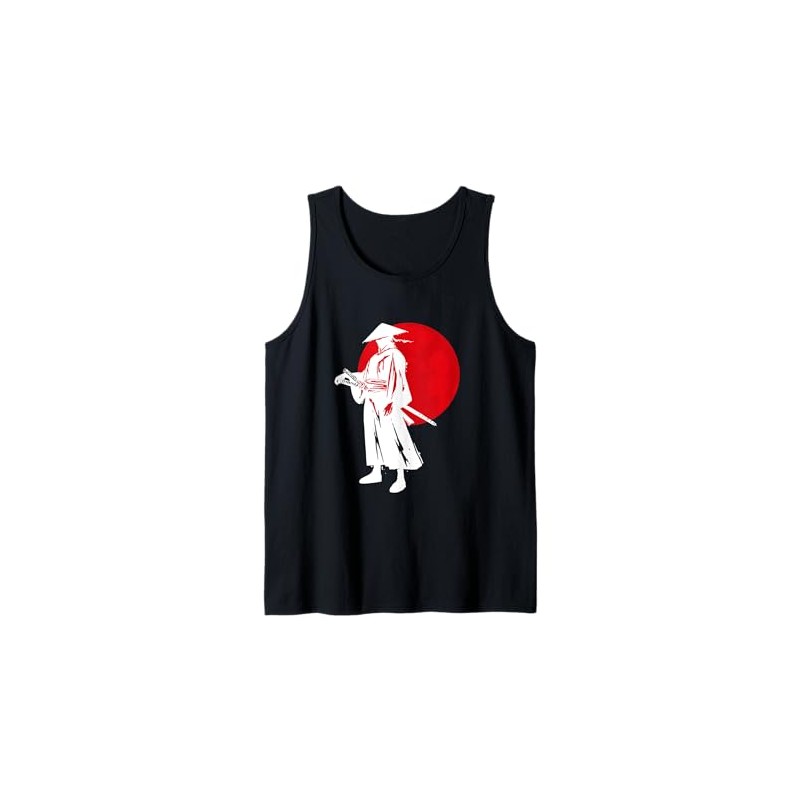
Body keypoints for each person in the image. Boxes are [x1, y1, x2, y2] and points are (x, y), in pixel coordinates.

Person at [334, 323, 423, 493]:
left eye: (380, 339)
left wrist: (391, 401)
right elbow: (366, 376)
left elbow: (396, 380)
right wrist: (348, 377)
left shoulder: (395, 356)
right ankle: (376, 471)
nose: (378, 342)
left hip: (387, 399)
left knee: (394, 435)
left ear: (388, 338)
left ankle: (400, 477)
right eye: (377, 340)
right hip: (371, 399)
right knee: (372, 433)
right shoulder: (374, 358)